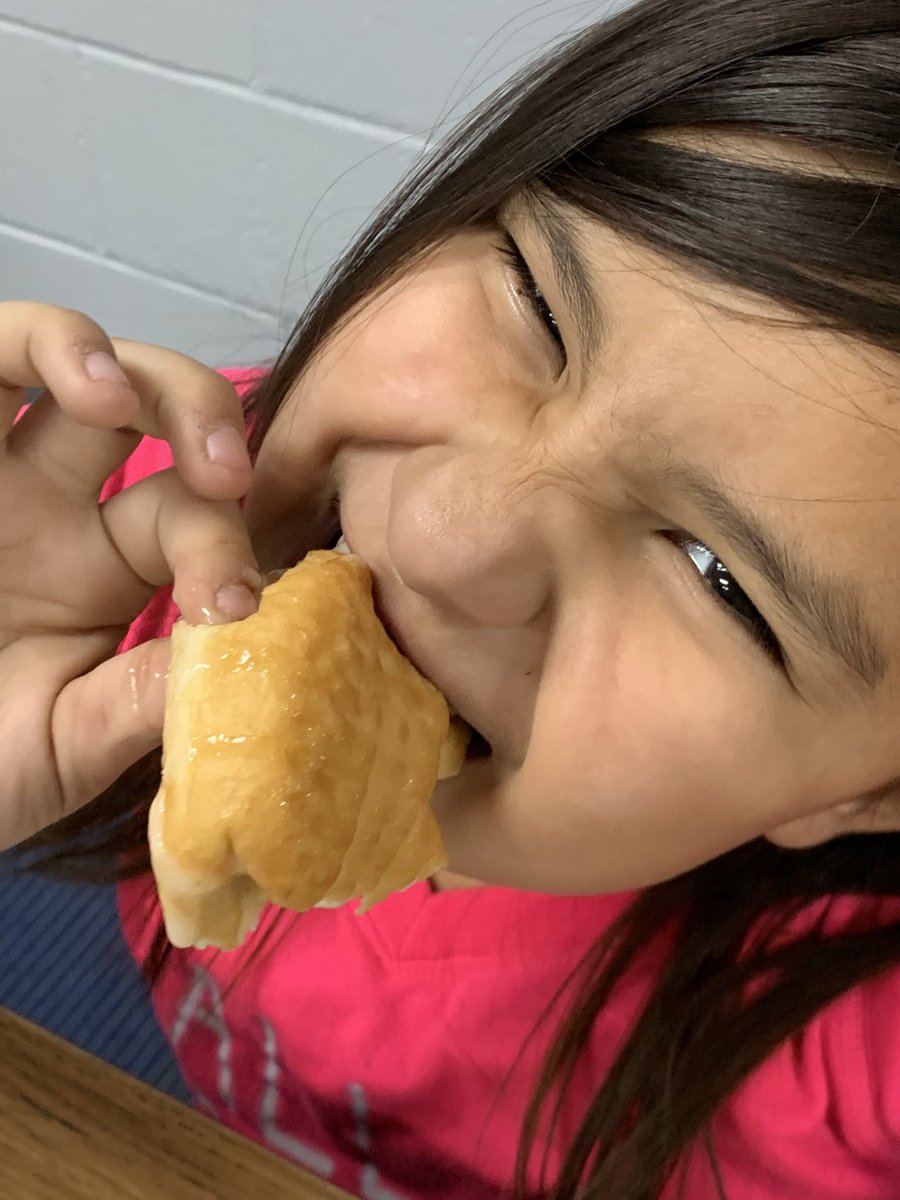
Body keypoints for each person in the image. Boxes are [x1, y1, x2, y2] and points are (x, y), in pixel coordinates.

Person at [2, 0, 899, 1195]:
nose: (436, 540)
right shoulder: (128, 524)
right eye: (536, 297)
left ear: (865, 791)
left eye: (722, 579)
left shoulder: (847, 1085)